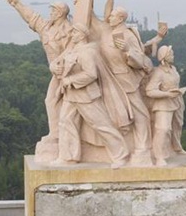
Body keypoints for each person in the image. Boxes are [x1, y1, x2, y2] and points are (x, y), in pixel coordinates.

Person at [50, 24, 130, 169]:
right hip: (71, 94)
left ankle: (121, 155)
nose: (71, 34)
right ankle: (68, 157)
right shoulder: (72, 49)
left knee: (101, 125)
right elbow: (57, 62)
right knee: (65, 123)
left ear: (81, 35)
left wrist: (70, 80)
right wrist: (54, 67)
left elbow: (91, 74)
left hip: (86, 96)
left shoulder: (87, 52)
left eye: (74, 32)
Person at [4, 0, 72, 161]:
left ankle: (62, 137)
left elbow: (73, 50)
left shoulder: (69, 31)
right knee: (51, 101)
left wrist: (58, 63)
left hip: (68, 73)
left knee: (59, 103)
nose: (51, 12)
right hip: (56, 74)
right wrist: (17, 3)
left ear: (62, 13)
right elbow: (31, 18)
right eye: (51, 10)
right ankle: (56, 134)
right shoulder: (47, 27)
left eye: (54, 10)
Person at [98, 6, 155, 165]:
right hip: (109, 78)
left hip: (125, 78)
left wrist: (127, 50)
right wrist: (79, 2)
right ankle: (119, 149)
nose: (109, 18)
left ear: (121, 18)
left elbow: (140, 60)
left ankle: (143, 147)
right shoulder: (107, 32)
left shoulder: (128, 35)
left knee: (139, 112)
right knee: (113, 112)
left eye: (113, 16)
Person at [145, 45, 186, 166]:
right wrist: (166, 94)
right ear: (164, 57)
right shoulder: (158, 72)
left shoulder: (173, 69)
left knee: (178, 125)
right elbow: (149, 90)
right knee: (163, 129)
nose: (173, 56)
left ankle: (176, 148)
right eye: (171, 54)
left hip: (177, 101)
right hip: (163, 104)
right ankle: (159, 156)